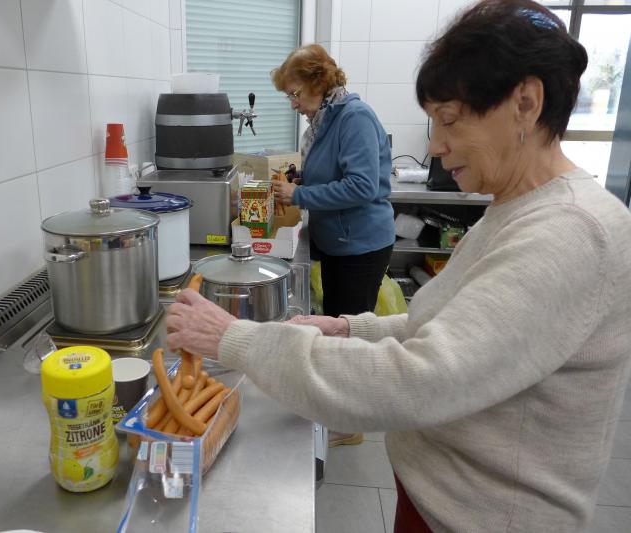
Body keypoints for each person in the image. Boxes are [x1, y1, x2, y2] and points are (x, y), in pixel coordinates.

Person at [165, 1, 631, 531]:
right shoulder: (517, 209)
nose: (434, 145)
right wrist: (350, 329)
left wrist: (233, 338)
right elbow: (445, 326)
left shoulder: (571, 232)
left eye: (448, 121)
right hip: (440, 504)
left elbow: (419, 378)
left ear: (526, 103)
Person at [270, 44, 395, 319]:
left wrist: (299, 195)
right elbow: (332, 173)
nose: (293, 104)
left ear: (318, 82)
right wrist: (301, 180)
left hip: (360, 247)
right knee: (334, 320)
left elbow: (361, 186)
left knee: (347, 329)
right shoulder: (325, 121)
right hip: (337, 243)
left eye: (295, 93)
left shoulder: (354, 117)